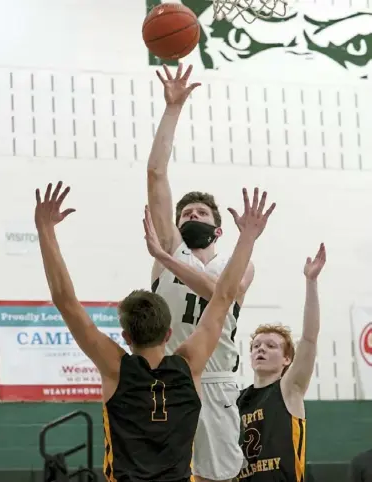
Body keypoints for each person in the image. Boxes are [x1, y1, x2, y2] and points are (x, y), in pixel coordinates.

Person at [34, 181, 275, 482]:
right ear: (169, 334)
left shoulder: (115, 369)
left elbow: (64, 300)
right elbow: (223, 298)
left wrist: (44, 230)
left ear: (125, 337)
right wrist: (248, 237)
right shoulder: (190, 365)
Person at [147, 62, 260, 482]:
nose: (190, 215)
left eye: (200, 212)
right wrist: (173, 109)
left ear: (218, 227)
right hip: (170, 378)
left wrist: (172, 260)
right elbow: (156, 175)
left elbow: (222, 294)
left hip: (218, 384)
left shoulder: (240, 263)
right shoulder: (169, 246)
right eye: (185, 212)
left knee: (220, 477)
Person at [236, 243, 327, 482]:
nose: (261, 349)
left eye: (271, 345)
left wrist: (311, 282)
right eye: (256, 346)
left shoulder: (289, 389)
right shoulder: (235, 400)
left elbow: (309, 337)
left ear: (287, 359)